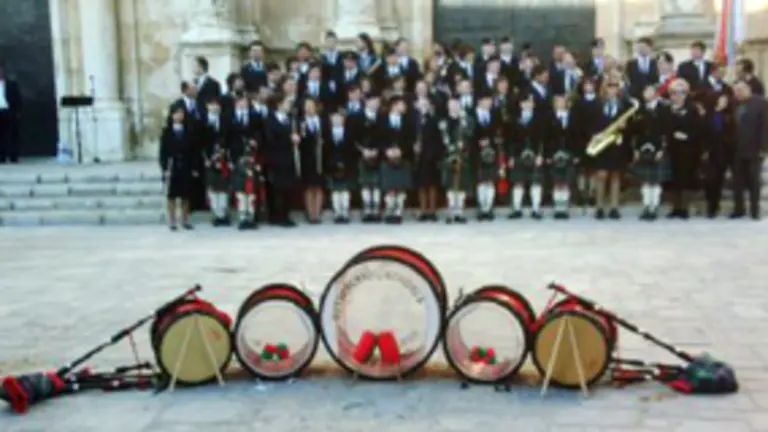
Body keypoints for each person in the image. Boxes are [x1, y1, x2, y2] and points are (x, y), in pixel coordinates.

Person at [589, 80, 633, 220]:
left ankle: (614, 207)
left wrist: (625, 127)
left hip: (617, 144)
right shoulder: (597, 105)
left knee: (615, 175)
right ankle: (599, 206)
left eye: (615, 88)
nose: (612, 91)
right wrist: (595, 135)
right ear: (604, 89)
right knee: (601, 175)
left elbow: (633, 127)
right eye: (609, 88)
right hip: (602, 143)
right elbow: (590, 123)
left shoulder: (624, 106)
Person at [631, 84, 670, 220]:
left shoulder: (663, 109)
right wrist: (636, 149)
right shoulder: (639, 110)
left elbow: (666, 131)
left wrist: (662, 149)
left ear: (656, 93)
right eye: (645, 91)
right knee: (646, 180)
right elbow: (635, 132)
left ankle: (654, 206)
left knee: (655, 181)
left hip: (658, 147)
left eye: (649, 91)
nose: (646, 93)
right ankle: (647, 206)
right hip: (642, 147)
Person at [665, 79, 702, 219]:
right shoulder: (668, 109)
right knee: (673, 178)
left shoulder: (692, 109)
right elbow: (664, 127)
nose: (677, 96)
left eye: (681, 93)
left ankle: (685, 208)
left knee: (685, 178)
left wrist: (687, 136)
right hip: (673, 148)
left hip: (688, 149)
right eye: (674, 93)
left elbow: (698, 128)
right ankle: (675, 207)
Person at [731, 80, 767, 220]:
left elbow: (765, 127)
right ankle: (739, 209)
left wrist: (764, 147)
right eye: (735, 92)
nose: (737, 94)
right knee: (737, 181)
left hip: (754, 148)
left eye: (740, 91)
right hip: (736, 149)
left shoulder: (761, 103)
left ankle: (754, 210)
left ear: (748, 89)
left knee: (754, 181)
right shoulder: (735, 104)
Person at [507, 95, 545, 219]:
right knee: (518, 182)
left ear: (533, 104)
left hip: (534, 154)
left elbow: (542, 140)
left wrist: (540, 155)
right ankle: (517, 209)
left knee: (536, 182)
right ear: (521, 105)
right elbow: (511, 140)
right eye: (525, 102)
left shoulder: (540, 119)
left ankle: (536, 209)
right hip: (518, 154)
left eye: (529, 102)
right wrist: (511, 156)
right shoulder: (514, 119)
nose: (527, 104)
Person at [264, 95, 300, 227]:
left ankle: (286, 214)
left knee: (287, 188)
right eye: (286, 103)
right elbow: (270, 138)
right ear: (279, 104)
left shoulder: (291, 120)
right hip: (276, 158)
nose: (289, 106)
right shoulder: (270, 119)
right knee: (276, 188)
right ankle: (275, 215)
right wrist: (288, 138)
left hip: (288, 158)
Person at [379, 95, 414, 224]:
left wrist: (402, 150)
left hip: (403, 156)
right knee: (390, 187)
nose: (404, 107)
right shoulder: (382, 120)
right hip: (387, 156)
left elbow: (411, 138)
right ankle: (389, 211)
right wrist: (386, 150)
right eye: (401, 104)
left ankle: (398, 212)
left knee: (400, 186)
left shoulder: (408, 120)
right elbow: (378, 138)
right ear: (393, 105)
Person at [160, 107, 194, 231]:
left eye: (181, 113)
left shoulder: (188, 130)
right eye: (177, 113)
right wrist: (164, 168)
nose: (179, 116)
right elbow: (163, 152)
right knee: (172, 196)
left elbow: (192, 150)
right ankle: (172, 220)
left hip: (185, 165)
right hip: (172, 165)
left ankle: (185, 219)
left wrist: (193, 166)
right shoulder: (167, 132)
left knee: (186, 195)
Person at [701, 92, 735, 218]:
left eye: (726, 100)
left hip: (723, 152)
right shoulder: (708, 115)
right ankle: (710, 202)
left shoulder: (728, 115)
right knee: (709, 179)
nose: (724, 102)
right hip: (710, 151)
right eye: (722, 99)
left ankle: (715, 205)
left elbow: (731, 133)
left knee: (719, 179)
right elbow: (703, 133)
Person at [440, 98, 473, 223]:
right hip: (448, 155)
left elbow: (470, 134)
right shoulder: (444, 122)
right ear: (448, 107)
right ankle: (451, 211)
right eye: (451, 105)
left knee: (461, 186)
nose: (454, 107)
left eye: (456, 105)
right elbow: (441, 137)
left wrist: (464, 144)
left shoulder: (465, 120)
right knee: (450, 185)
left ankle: (459, 212)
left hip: (463, 155)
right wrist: (449, 147)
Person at [548, 94, 577, 219]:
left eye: (563, 101)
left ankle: (564, 207)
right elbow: (545, 138)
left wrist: (576, 154)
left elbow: (578, 137)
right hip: (554, 153)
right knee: (557, 182)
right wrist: (548, 155)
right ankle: (557, 207)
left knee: (566, 181)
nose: (560, 104)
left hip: (569, 153)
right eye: (558, 101)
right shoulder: (549, 118)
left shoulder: (573, 118)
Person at [412, 97, 441, 221]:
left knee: (432, 184)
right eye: (421, 105)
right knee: (421, 184)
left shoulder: (434, 120)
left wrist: (434, 153)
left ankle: (432, 210)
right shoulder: (413, 120)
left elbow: (438, 139)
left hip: (431, 156)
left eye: (425, 105)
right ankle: (423, 210)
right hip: (418, 157)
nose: (423, 107)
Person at [473, 92, 500, 220]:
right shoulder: (472, 114)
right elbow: (468, 132)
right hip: (476, 152)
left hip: (491, 152)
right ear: (479, 101)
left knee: (490, 181)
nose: (489, 103)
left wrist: (491, 140)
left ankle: (489, 208)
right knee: (480, 181)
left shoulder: (494, 114)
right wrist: (478, 142)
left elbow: (498, 132)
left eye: (490, 100)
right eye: (486, 100)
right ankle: (481, 207)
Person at [325, 111, 356, 223]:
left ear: (343, 120)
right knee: (335, 191)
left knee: (345, 190)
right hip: (331, 165)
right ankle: (337, 213)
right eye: (334, 119)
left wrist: (346, 162)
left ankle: (345, 212)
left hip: (346, 163)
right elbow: (325, 151)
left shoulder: (349, 133)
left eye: (339, 118)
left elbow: (352, 150)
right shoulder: (326, 134)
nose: (337, 121)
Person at [299, 98, 326, 224]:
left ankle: (317, 213)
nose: (308, 108)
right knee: (309, 187)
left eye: (311, 105)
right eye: (306, 105)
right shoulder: (301, 122)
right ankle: (310, 214)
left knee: (319, 186)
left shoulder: (321, 121)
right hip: (307, 157)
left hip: (320, 157)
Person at [359, 95, 383, 222]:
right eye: (373, 101)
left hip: (378, 154)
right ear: (366, 102)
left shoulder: (382, 117)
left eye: (377, 102)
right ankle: (367, 210)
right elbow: (352, 136)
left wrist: (377, 150)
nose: (375, 104)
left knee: (376, 184)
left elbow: (386, 136)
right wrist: (363, 150)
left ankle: (376, 210)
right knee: (365, 184)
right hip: (362, 154)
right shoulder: (357, 117)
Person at [233, 144, 260, 230]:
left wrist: (256, 169)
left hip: (252, 186)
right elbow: (239, 169)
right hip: (241, 185)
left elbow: (257, 171)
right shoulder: (240, 161)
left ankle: (250, 220)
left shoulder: (254, 161)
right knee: (243, 203)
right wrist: (247, 171)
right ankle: (243, 220)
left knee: (250, 203)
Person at [0, 63, 23, 164]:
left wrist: (18, 112)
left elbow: (18, 98)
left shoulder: (11, 84)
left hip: (9, 111)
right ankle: (2, 157)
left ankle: (14, 156)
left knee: (13, 135)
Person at [206, 145, 232, 226]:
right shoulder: (212, 160)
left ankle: (222, 217)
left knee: (223, 201)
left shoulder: (226, 160)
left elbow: (228, 172)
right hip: (214, 183)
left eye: (221, 150)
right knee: (215, 202)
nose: (220, 152)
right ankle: (217, 217)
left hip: (223, 183)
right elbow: (209, 172)